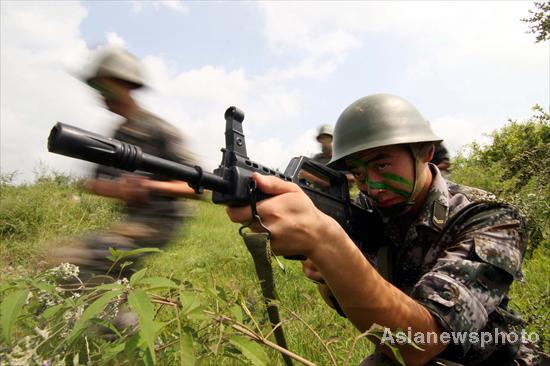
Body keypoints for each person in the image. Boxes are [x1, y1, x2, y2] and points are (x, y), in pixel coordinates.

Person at [227, 94, 546, 365]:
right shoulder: (365, 213)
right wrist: (326, 270)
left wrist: (329, 243)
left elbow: (422, 342)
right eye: (359, 174)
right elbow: (364, 317)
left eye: (382, 165)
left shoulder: (489, 216)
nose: (373, 186)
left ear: (425, 152)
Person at [48, 47, 202, 281]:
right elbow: (95, 182)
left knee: (80, 262)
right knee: (94, 270)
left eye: (105, 86)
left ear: (126, 85)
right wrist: (118, 188)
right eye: (97, 88)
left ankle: (118, 315)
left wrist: (150, 187)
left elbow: (200, 187)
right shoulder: (117, 135)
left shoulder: (160, 130)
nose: (101, 94)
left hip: (162, 220)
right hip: (133, 220)